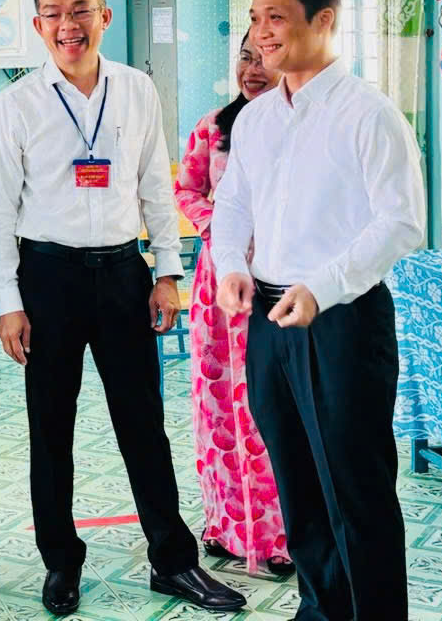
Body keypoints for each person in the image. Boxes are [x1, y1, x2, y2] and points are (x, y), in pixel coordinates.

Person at [0, 0, 245, 616]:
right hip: (48, 277)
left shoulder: (135, 89)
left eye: (80, 10)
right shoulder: (17, 103)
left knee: (143, 424)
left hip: (124, 274)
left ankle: (173, 561)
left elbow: (156, 183)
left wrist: (166, 273)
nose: (67, 25)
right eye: (52, 14)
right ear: (38, 24)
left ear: (103, 17)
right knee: (52, 428)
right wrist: (11, 304)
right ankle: (60, 562)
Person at [213, 0, 426, 621]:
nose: (260, 33)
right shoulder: (256, 119)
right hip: (269, 316)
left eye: (275, 17)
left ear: (324, 19)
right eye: (255, 19)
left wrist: (323, 288)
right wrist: (230, 264)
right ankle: (320, 610)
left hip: (342, 321)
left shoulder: (368, 113)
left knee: (355, 491)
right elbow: (234, 204)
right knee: (298, 485)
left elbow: (402, 222)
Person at [173, 34, 291, 577]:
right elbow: (186, 190)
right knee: (219, 405)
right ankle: (225, 526)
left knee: (271, 407)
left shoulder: (297, 128)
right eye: (245, 57)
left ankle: (281, 536)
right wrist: (219, 230)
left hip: (279, 283)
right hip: (218, 286)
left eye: (264, 58)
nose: (252, 68)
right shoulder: (212, 128)